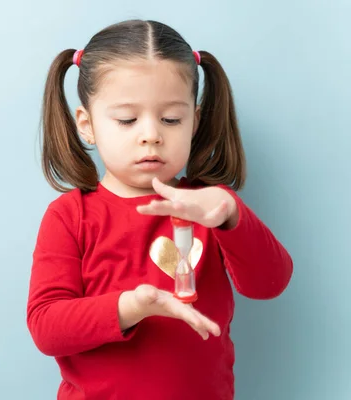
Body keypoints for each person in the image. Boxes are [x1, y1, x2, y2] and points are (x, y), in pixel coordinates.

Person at [26, 19, 293, 400]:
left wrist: (233, 214)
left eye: (171, 119)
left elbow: (270, 284)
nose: (151, 134)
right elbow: (46, 327)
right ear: (87, 125)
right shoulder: (70, 216)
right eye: (127, 120)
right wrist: (131, 306)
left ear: (195, 122)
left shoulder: (210, 207)